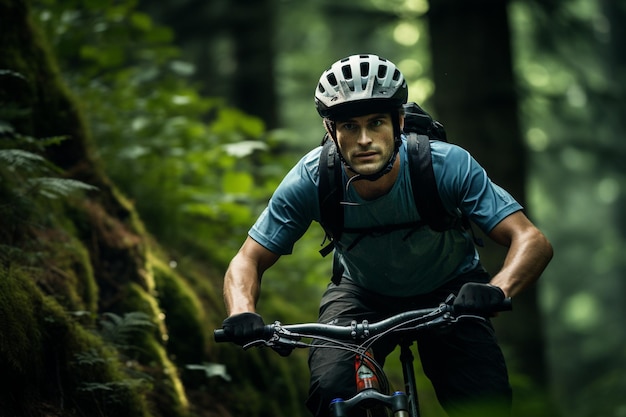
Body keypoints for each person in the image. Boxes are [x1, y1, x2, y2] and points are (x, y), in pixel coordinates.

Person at [221, 54, 553, 417]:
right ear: (331, 131)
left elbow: (531, 240)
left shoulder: (445, 166)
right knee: (332, 391)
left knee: (482, 402)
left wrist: (497, 288)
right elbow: (248, 259)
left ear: (399, 121)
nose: (363, 140)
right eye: (349, 126)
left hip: (452, 290)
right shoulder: (313, 178)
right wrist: (242, 312)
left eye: (376, 122)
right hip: (361, 293)